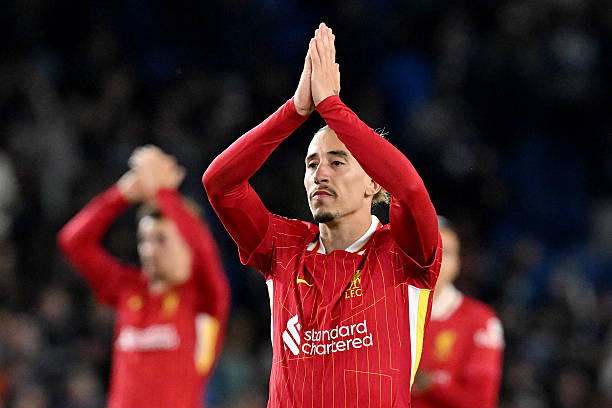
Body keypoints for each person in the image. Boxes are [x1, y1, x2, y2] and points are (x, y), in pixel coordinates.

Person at [203, 23, 441, 407]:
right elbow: (219, 183)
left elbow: (411, 191)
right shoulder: (281, 248)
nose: (320, 174)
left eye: (337, 161)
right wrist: (296, 110)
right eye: (311, 164)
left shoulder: (404, 253)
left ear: (373, 184)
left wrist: (331, 105)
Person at [58, 146, 230, 408]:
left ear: (187, 243)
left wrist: (163, 191)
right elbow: (73, 242)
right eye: (144, 239)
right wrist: (123, 194)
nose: (149, 249)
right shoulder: (128, 288)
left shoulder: (205, 299)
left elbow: (203, 247)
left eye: (160, 239)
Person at [411, 216, 504, 408]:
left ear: (458, 264)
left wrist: (429, 384)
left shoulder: (480, 320)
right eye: (429, 249)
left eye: (447, 253)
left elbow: (482, 401)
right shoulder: (382, 311)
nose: (436, 259)